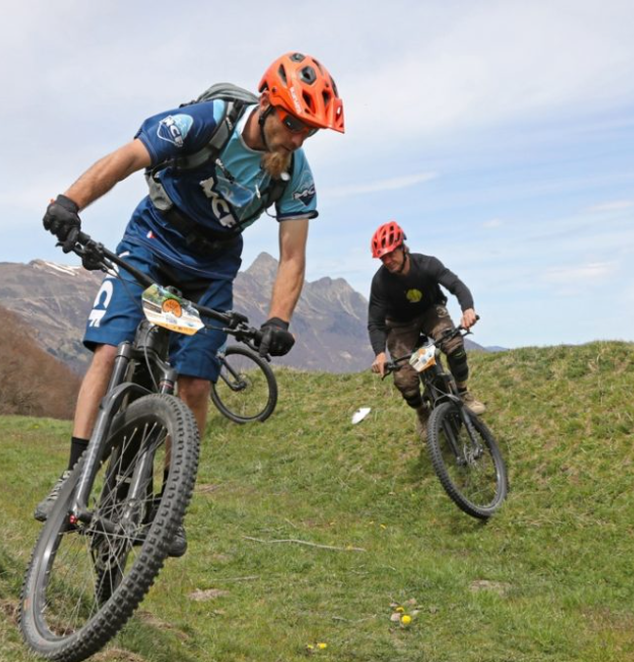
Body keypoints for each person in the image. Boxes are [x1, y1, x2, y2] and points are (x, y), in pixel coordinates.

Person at [37, 53, 344, 557]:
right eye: (293, 123)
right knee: (109, 353)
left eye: (308, 132)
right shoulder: (207, 121)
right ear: (267, 105)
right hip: (152, 244)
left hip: (211, 270)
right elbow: (129, 158)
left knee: (196, 383)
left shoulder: (294, 172)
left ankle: (168, 507)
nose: (297, 138)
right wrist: (69, 202)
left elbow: (293, 256)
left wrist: (279, 320)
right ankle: (72, 476)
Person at [367, 221, 485, 441]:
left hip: (431, 312)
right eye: (382, 257)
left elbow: (456, 285)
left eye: (390, 254)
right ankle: (422, 413)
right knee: (404, 379)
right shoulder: (380, 282)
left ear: (403, 247)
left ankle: (463, 392)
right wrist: (380, 353)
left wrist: (468, 309)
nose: (387, 261)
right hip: (400, 325)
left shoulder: (426, 264)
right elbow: (375, 322)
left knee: (454, 346)